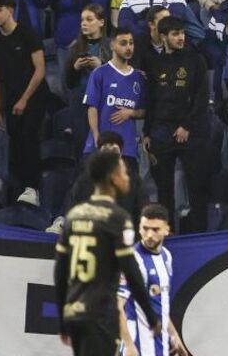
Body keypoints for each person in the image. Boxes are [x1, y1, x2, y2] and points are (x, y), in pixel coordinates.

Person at [55, 150, 160, 355]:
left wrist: (62, 319)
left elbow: (60, 273)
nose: (127, 177)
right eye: (124, 172)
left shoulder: (74, 216)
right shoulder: (117, 218)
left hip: (76, 312)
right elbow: (131, 272)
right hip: (101, 311)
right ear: (113, 178)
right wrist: (150, 315)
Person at [143, 16, 210, 234]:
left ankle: (199, 233)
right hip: (161, 131)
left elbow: (202, 98)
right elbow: (150, 100)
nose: (180, 37)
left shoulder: (196, 60)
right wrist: (146, 132)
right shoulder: (154, 62)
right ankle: (166, 232)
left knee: (196, 187)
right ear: (163, 37)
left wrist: (187, 126)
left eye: (182, 33)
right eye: (175, 34)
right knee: (164, 189)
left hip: (192, 133)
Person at [0, 0, 49, 205]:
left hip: (35, 96)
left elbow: (40, 70)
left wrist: (24, 99)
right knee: (16, 145)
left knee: (29, 138)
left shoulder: (27, 33)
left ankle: (34, 189)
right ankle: (21, 190)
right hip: (11, 100)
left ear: (10, 10)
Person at [118, 204, 188, 356]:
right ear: (139, 228)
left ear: (166, 230)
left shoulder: (166, 257)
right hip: (138, 345)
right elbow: (117, 307)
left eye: (155, 230)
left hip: (159, 345)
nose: (149, 234)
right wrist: (129, 346)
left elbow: (160, 305)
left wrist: (173, 335)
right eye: (145, 228)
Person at [82, 27, 145, 175]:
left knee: (127, 196)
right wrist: (97, 138)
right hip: (100, 146)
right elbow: (92, 108)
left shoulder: (139, 78)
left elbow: (145, 110)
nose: (128, 47)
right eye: (123, 43)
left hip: (128, 148)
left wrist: (131, 112)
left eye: (131, 43)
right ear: (112, 45)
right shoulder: (100, 73)